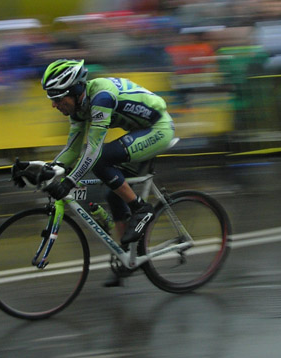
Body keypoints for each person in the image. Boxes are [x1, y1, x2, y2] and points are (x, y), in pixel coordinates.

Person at [13, 59, 175, 285]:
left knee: (100, 160)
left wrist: (68, 182)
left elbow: (93, 151)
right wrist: (39, 168)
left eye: (58, 98)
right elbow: (72, 150)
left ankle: (142, 209)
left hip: (158, 130)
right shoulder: (79, 107)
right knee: (113, 193)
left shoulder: (101, 97)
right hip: (140, 131)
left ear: (76, 90)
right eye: (51, 99)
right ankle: (127, 257)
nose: (54, 105)